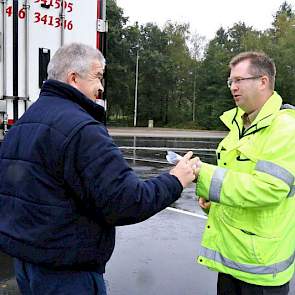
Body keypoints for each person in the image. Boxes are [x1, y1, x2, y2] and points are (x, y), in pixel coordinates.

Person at [0, 43, 199, 294]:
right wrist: (175, 179)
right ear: (73, 78)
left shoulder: (24, 123)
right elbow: (126, 201)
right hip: (67, 274)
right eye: (98, 76)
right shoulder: (82, 129)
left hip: (28, 266)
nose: (101, 87)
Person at [195, 51, 295, 294]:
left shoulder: (285, 127)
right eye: (231, 81)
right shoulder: (240, 124)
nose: (233, 87)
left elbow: (268, 188)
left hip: (260, 268)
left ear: (263, 81)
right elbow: (235, 178)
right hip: (232, 261)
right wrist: (213, 202)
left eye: (239, 80)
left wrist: (205, 177)